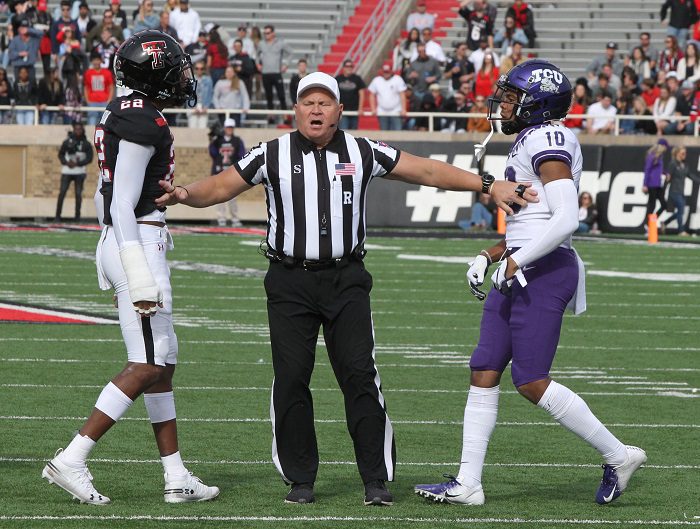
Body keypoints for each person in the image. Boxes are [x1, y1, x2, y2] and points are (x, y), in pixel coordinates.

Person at [154, 70, 537, 507]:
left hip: (346, 279)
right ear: (295, 110)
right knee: (292, 378)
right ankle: (300, 479)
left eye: (324, 103)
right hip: (289, 280)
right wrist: (185, 193)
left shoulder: (363, 149)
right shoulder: (270, 153)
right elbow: (221, 186)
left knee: (359, 375)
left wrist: (488, 185)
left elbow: (427, 170)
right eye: (308, 102)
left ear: (339, 109)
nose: (316, 110)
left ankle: (375, 477)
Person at [414, 59, 647, 507]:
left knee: (530, 380)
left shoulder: (548, 137)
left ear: (537, 105)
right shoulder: (531, 138)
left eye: (511, 97)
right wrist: (492, 254)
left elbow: (564, 220)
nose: (502, 105)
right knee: (484, 369)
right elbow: (533, 223)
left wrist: (517, 261)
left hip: (545, 270)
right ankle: (468, 483)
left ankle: (619, 455)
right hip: (525, 265)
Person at [42, 29, 219, 505]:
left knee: (163, 364)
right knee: (145, 363)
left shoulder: (124, 111)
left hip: (135, 236)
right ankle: (72, 457)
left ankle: (176, 475)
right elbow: (120, 204)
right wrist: (133, 263)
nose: (183, 76)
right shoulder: (143, 119)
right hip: (135, 239)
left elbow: (115, 200)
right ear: (153, 71)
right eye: (175, 67)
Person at [209, 118, 245, 227]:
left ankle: (234, 218)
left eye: (231, 127)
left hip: (231, 172)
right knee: (219, 196)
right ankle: (221, 218)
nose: (229, 129)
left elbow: (242, 155)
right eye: (228, 127)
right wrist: (212, 140)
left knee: (233, 197)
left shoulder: (237, 140)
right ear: (224, 128)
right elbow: (213, 153)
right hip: (219, 171)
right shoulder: (218, 140)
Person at [55, 121, 92, 222]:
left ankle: (77, 217)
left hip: (79, 172)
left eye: (80, 129)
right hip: (67, 171)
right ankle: (57, 216)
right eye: (76, 129)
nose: (78, 131)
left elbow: (90, 158)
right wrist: (66, 162)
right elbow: (61, 154)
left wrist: (78, 164)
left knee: (78, 194)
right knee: (62, 193)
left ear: (83, 130)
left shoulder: (86, 143)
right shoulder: (67, 141)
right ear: (74, 130)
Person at [257, 25, 291, 122]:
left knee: (281, 95)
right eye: (265, 33)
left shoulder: (280, 43)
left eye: (268, 33)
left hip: (276, 72)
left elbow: (291, 52)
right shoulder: (261, 44)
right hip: (265, 73)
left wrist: (285, 64)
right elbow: (256, 54)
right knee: (269, 96)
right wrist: (258, 64)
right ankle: (270, 116)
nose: (266, 35)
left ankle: (285, 116)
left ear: (273, 33)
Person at [663, 145, 700, 234]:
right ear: (677, 153)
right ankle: (681, 230)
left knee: (680, 211)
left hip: (681, 191)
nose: (684, 154)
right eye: (683, 153)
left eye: (685, 153)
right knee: (681, 210)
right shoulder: (673, 164)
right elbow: (668, 177)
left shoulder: (684, 165)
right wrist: (663, 190)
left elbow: (690, 176)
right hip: (674, 191)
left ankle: (664, 223)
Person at [368, 63, 407, 130]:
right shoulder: (377, 80)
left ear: (391, 71)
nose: (386, 73)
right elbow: (371, 94)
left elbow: (402, 95)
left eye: (388, 72)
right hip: (382, 111)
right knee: (384, 133)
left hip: (396, 111)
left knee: (398, 133)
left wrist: (403, 109)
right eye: (385, 72)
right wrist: (373, 108)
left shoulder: (397, 79)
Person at [643, 138, 670, 230]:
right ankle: (647, 225)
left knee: (664, 205)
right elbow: (647, 170)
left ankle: (651, 221)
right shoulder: (652, 156)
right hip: (651, 184)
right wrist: (645, 184)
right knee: (652, 205)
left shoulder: (659, 156)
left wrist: (665, 173)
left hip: (658, 184)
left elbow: (658, 170)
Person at [83, 51, 114, 126]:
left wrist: (109, 100)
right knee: (91, 123)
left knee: (104, 124)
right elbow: (86, 87)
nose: (96, 62)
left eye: (98, 60)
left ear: (101, 61)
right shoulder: (88, 73)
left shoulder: (107, 72)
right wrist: (88, 101)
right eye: (94, 60)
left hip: (104, 102)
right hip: (92, 102)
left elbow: (111, 87)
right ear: (92, 61)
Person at [335, 59, 366, 130]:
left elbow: (362, 94)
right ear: (343, 67)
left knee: (354, 133)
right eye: (347, 66)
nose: (349, 68)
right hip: (343, 111)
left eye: (351, 66)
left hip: (354, 111)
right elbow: (334, 94)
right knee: (344, 131)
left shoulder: (357, 79)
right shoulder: (338, 79)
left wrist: (360, 108)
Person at [188, 60, 213, 128]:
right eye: (197, 68)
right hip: (192, 108)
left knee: (203, 129)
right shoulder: (190, 80)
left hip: (204, 108)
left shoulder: (208, 80)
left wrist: (206, 107)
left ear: (204, 69)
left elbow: (210, 95)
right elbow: (187, 95)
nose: (199, 70)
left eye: (201, 68)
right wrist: (192, 107)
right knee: (192, 129)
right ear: (194, 69)